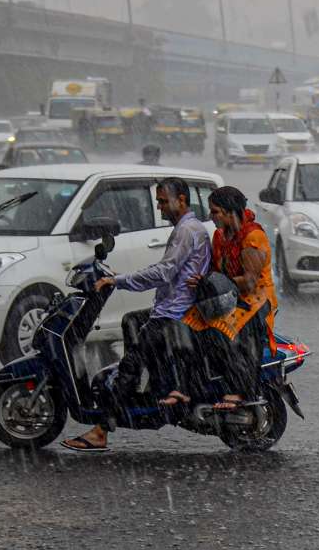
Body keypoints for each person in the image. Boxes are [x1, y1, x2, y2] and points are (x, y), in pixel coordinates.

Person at [62, 177, 211, 452]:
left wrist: (118, 281)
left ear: (181, 200)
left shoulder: (187, 231)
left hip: (174, 314)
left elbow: (164, 272)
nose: (160, 208)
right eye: (158, 202)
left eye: (164, 202)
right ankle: (147, 387)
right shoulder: (187, 228)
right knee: (131, 321)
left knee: (130, 362)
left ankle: (101, 429)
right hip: (171, 308)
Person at [174, 186, 278, 410]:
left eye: (215, 212)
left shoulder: (253, 236)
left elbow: (250, 282)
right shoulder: (219, 235)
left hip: (255, 299)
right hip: (225, 296)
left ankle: (242, 390)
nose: (212, 217)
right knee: (185, 327)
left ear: (232, 212)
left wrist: (212, 282)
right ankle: (191, 388)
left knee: (219, 332)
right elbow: (214, 270)